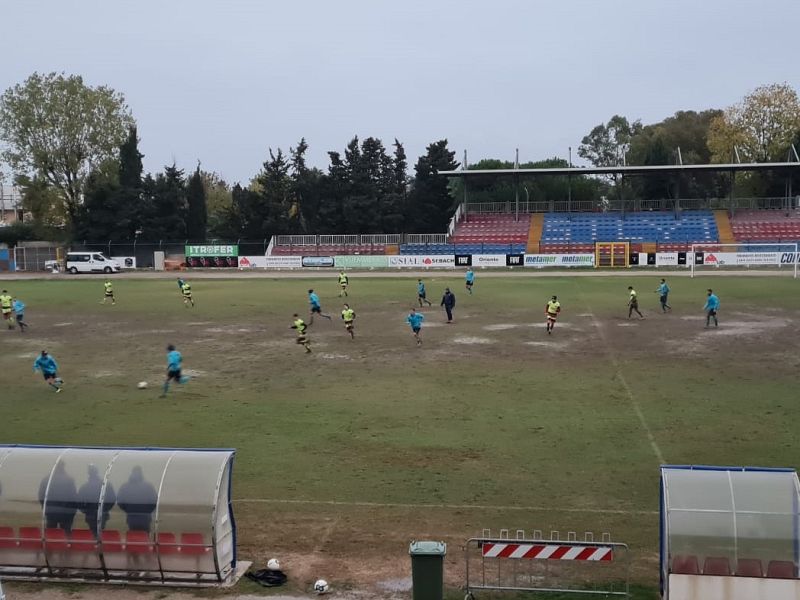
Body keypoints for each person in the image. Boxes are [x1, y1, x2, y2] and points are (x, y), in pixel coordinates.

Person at [38, 461, 78, 533]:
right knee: (66, 533)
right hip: (66, 512)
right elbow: (73, 497)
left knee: (51, 532)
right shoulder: (69, 480)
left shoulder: (46, 479)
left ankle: (51, 544)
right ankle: (66, 543)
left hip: (51, 511)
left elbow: (41, 496)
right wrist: (72, 512)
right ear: (63, 467)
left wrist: (45, 507)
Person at [77, 464, 116, 538]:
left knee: (93, 533)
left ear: (89, 473)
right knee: (100, 532)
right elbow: (112, 499)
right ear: (97, 472)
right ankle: (99, 545)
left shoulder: (85, 486)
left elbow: (79, 502)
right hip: (102, 514)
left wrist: (86, 511)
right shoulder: (106, 485)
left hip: (90, 515)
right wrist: (104, 509)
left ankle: (95, 545)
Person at [117, 466, 157, 532]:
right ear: (141, 474)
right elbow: (154, 501)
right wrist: (147, 511)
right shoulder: (148, 486)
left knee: (133, 537)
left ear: (131, 473)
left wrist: (128, 510)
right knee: (144, 538)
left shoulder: (125, 486)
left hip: (131, 518)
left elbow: (120, 501)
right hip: (145, 518)